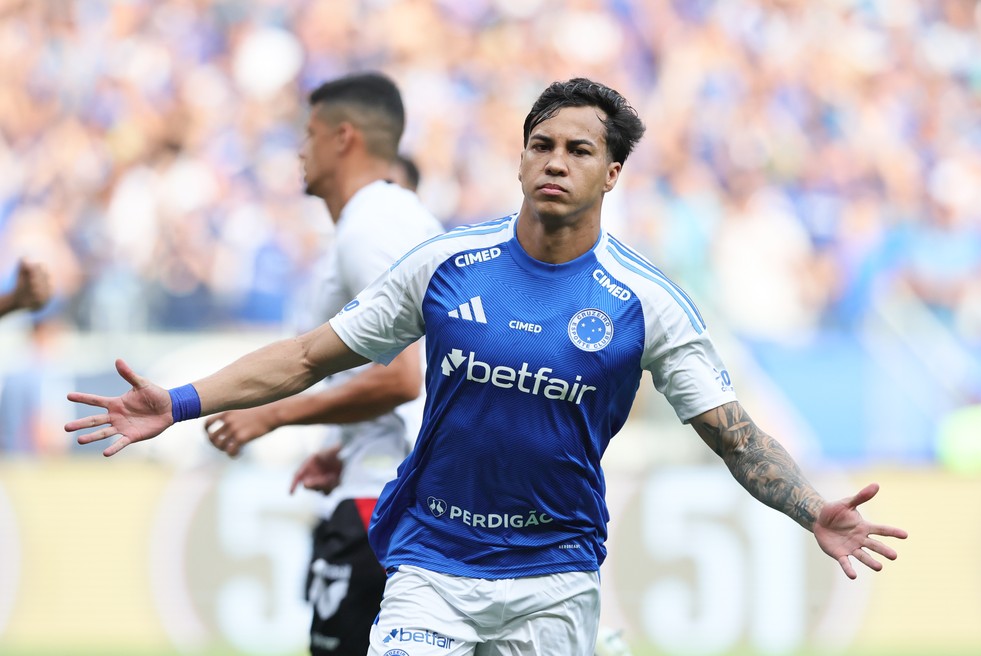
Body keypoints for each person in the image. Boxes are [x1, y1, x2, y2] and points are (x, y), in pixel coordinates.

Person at [66, 78, 907, 656]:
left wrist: (810, 510)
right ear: (518, 159)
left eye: (579, 150)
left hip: (554, 575)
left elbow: (735, 435)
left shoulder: (644, 301)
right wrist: (175, 402)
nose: (555, 160)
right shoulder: (447, 265)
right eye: (541, 144)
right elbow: (306, 356)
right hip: (430, 563)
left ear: (612, 173)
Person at [205, 73, 442, 656]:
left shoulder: (371, 226)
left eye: (309, 134)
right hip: (394, 486)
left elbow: (402, 376)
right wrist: (347, 444)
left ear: (344, 138)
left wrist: (275, 415)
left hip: (381, 504)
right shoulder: (396, 220)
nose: (300, 151)